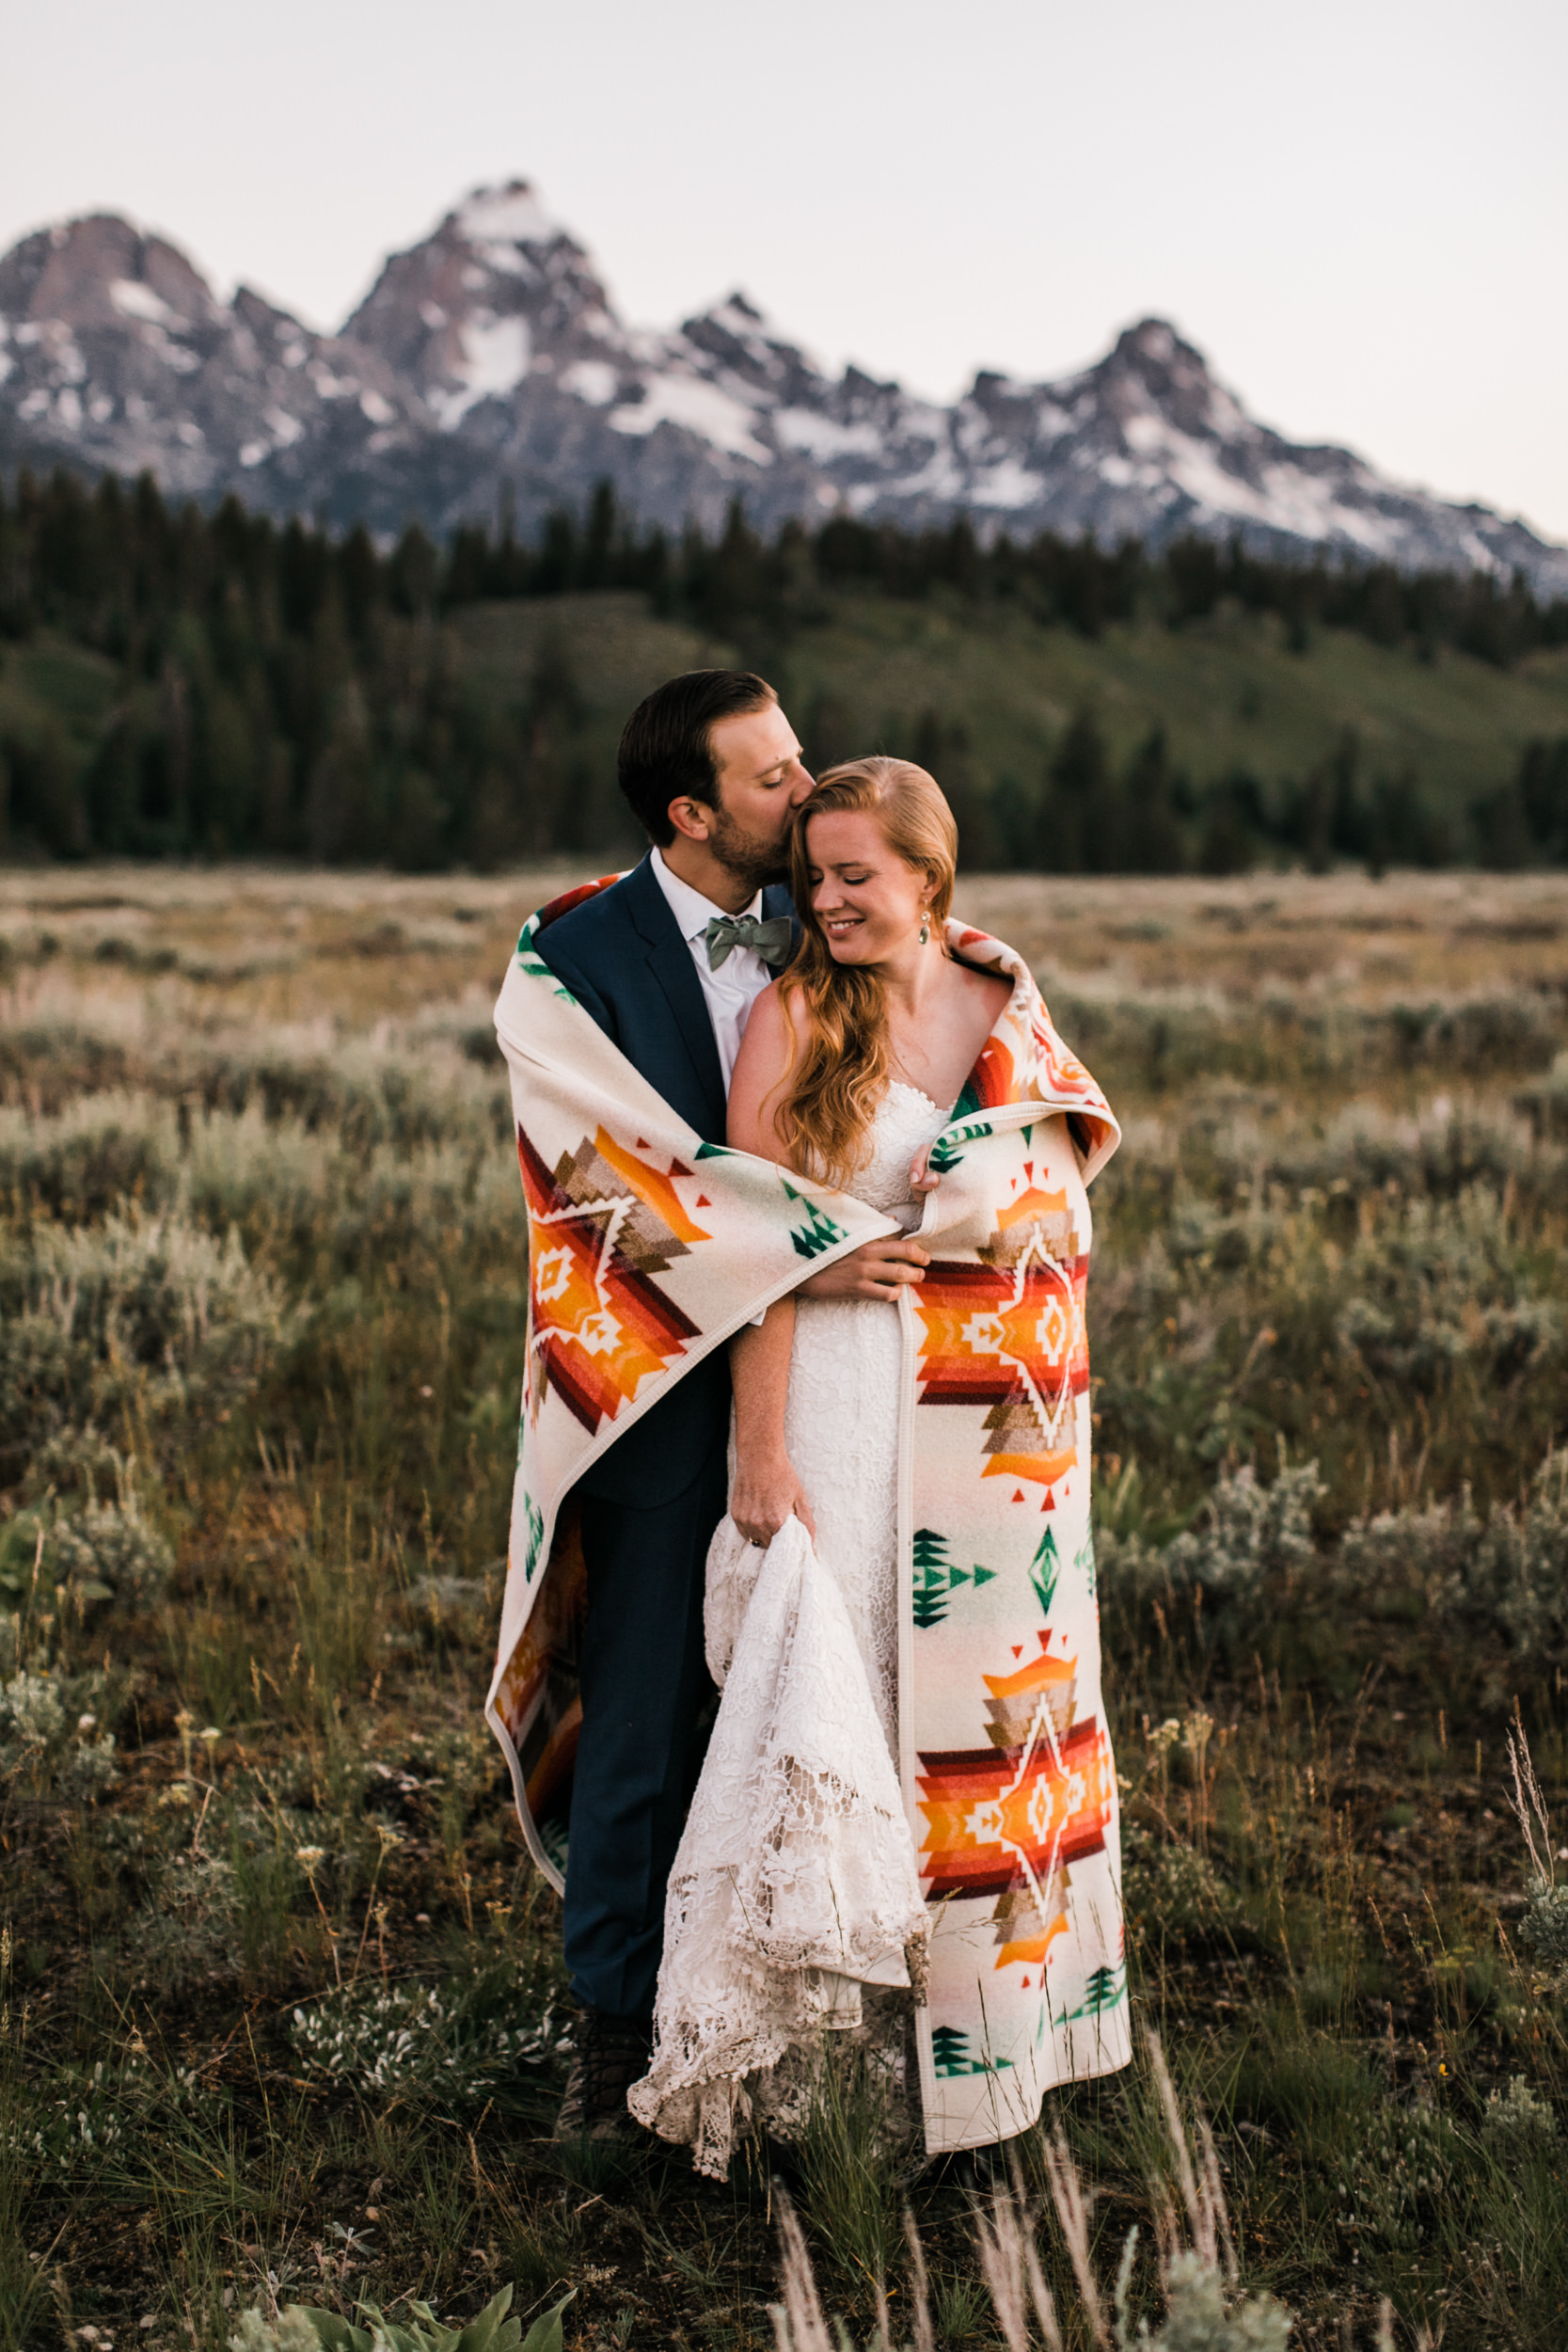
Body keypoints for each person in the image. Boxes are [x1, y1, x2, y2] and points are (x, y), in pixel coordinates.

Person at [627, 756, 1130, 2176]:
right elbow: (746, 1248)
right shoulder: (790, 1019)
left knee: (969, 1725)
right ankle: (837, 2095)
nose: (830, 901)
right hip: (840, 1408)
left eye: (859, 875)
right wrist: (762, 1453)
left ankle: (983, 2046)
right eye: (814, 876)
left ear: (928, 875)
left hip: (990, 1445)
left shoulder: (1004, 1011)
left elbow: (1048, 1207)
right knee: (844, 1701)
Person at [531, 676, 936, 2138]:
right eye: (773, 778)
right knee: (640, 1712)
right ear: (692, 813)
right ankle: (615, 2032)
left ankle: (811, 2009)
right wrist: (814, 1266)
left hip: (828, 1398)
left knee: (804, 1695)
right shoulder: (569, 960)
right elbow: (601, 1185)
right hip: (651, 1389)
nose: (806, 785)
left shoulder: (826, 928)